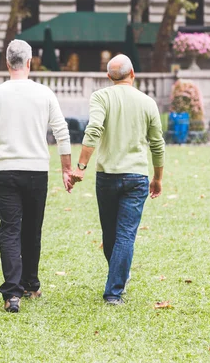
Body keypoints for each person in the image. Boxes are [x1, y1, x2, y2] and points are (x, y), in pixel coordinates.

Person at [0, 39, 72, 313]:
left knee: (9, 230)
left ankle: (12, 294)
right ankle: (31, 284)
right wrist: (66, 168)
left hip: (6, 170)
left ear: (7, 63)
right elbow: (62, 133)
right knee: (32, 228)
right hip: (37, 170)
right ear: (30, 63)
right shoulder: (44, 94)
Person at [71, 54, 165, 306]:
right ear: (133, 73)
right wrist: (157, 177)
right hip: (137, 175)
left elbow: (93, 130)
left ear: (109, 77)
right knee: (123, 236)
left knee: (112, 234)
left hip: (107, 175)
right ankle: (117, 284)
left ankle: (115, 285)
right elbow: (157, 143)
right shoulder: (148, 102)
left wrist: (81, 166)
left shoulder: (101, 97)